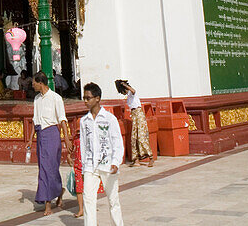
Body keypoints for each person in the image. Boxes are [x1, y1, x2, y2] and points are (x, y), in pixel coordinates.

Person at [78, 82, 125, 226]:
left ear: (97, 98)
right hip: (91, 165)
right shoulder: (84, 121)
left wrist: (116, 162)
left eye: (88, 98)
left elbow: (117, 142)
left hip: (108, 164)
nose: (85, 101)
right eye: (84, 98)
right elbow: (84, 144)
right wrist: (84, 166)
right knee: (88, 199)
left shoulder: (109, 119)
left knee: (113, 200)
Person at [25, 71, 69, 215]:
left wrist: (66, 139)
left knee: (50, 167)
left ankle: (48, 203)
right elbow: (34, 120)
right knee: (44, 168)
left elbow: (62, 119)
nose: (32, 85)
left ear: (41, 83)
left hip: (52, 134)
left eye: (34, 83)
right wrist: (30, 139)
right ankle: (57, 191)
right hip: (40, 134)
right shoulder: (37, 99)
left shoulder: (56, 98)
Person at [115, 79, 154, 167]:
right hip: (134, 115)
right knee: (134, 138)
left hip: (139, 114)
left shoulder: (131, 92)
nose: (122, 94)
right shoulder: (128, 96)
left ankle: (151, 157)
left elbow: (133, 90)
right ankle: (136, 160)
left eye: (122, 92)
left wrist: (124, 85)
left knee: (141, 136)